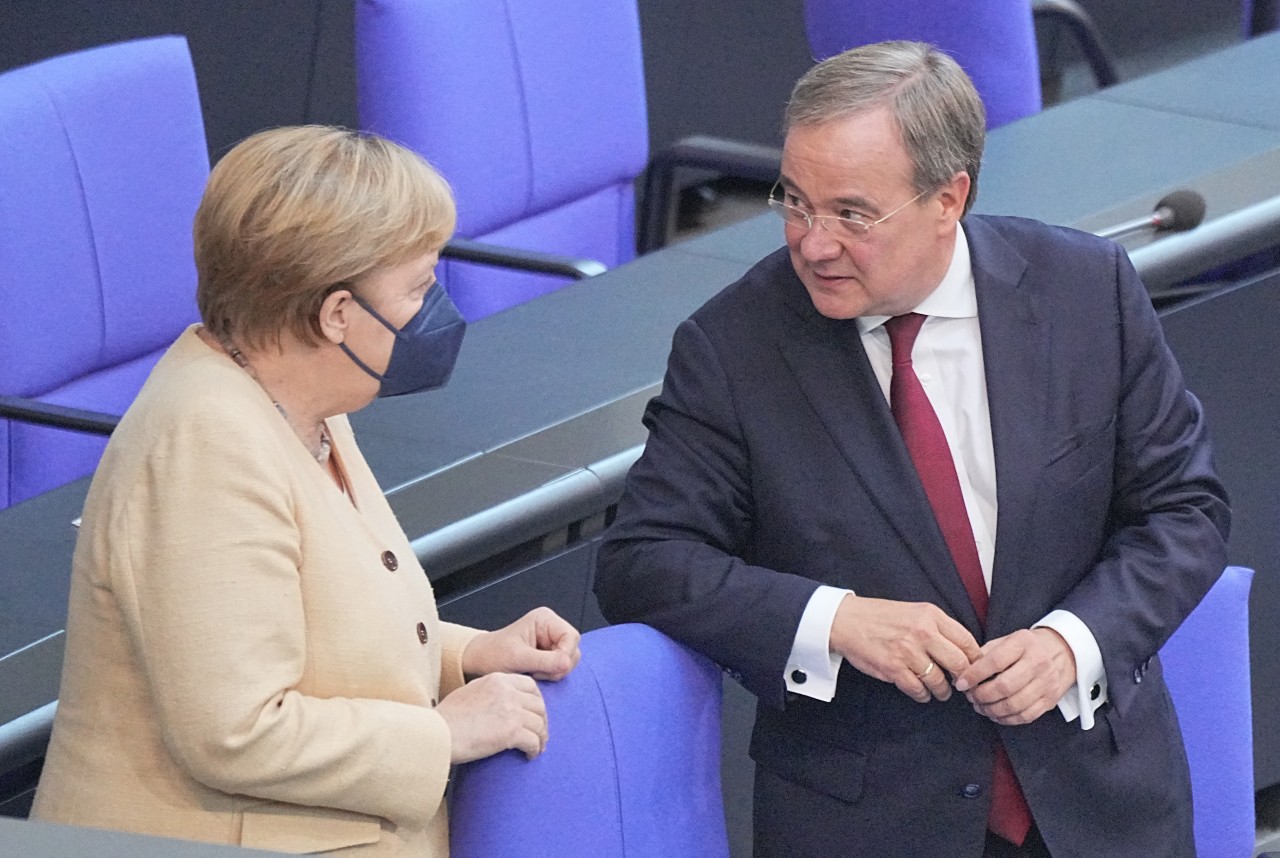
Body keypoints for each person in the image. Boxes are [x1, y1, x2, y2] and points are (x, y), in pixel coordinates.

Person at [594, 41, 1229, 858]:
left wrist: (1074, 642)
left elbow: (1185, 509)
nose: (813, 243)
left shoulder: (1085, 291)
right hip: (870, 823)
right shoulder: (733, 348)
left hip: (1097, 811)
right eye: (794, 202)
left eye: (852, 214)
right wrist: (834, 620)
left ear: (948, 198)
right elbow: (641, 558)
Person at [32, 125, 581, 857]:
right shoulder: (208, 448)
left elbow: (320, 634)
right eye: (419, 288)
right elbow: (238, 731)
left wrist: (472, 654)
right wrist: (443, 733)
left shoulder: (304, 399)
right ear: (336, 315)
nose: (436, 309)